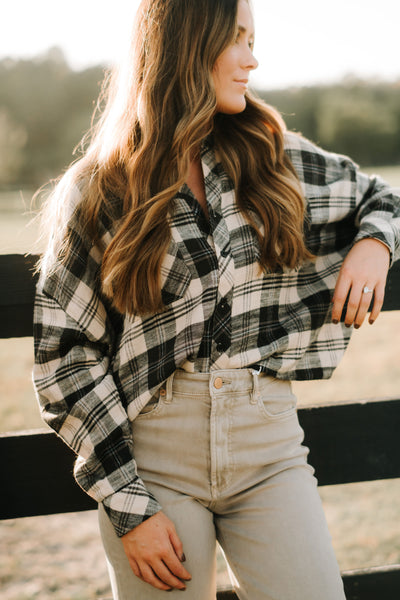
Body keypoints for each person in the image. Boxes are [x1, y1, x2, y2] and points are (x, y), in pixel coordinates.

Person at [33, 0, 400, 598]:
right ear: (186, 44)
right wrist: (130, 505)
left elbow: (381, 197)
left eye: (252, 40)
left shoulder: (269, 156)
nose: (252, 60)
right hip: (155, 459)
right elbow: (65, 359)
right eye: (237, 40)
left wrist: (374, 245)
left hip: (270, 446)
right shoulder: (101, 189)